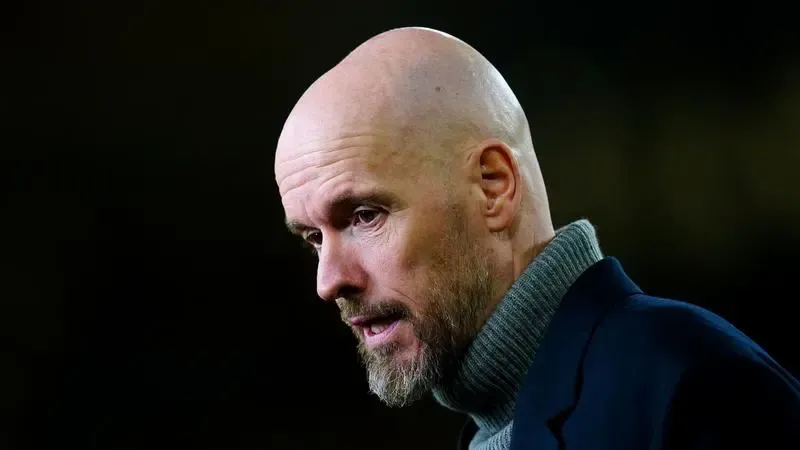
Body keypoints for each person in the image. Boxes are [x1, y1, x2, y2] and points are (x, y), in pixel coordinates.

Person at [273, 27, 800, 450]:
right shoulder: (493, 425)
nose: (328, 281)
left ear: (494, 187)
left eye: (364, 216)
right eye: (314, 238)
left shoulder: (691, 386)